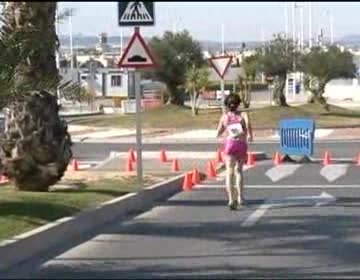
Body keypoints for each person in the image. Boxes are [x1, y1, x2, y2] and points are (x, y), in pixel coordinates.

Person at [216, 93, 253, 210]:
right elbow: (248, 125)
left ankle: (231, 199)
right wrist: (249, 135)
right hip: (241, 144)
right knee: (239, 171)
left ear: (227, 105)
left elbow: (218, 132)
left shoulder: (225, 117)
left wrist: (222, 132)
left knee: (229, 171)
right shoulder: (243, 115)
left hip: (230, 144)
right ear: (238, 104)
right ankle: (241, 197)